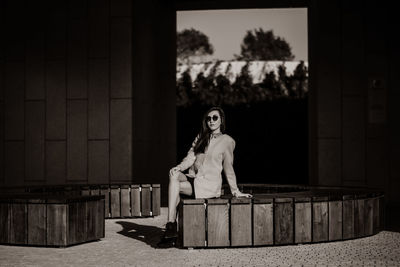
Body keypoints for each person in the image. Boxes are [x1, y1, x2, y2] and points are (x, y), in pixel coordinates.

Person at [158, 107, 252, 247]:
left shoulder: (227, 141)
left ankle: (171, 228)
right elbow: (190, 158)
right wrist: (179, 167)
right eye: (208, 118)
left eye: (215, 118)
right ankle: (171, 224)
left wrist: (235, 190)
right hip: (194, 178)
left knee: (176, 187)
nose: (211, 121)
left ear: (221, 120)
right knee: (174, 175)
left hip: (208, 185)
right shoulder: (201, 137)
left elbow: (228, 168)